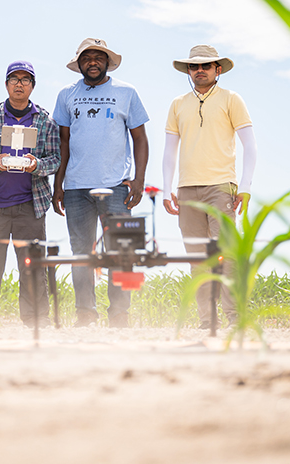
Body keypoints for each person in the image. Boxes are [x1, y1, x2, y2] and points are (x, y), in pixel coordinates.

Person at [52, 39, 149, 328]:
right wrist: (58, 184)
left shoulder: (126, 92)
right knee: (81, 253)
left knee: (123, 252)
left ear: (107, 62)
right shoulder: (66, 94)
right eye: (86, 58)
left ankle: (120, 315)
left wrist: (139, 180)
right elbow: (64, 142)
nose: (92, 62)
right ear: (79, 64)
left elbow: (140, 138)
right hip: (76, 188)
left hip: (117, 186)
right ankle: (85, 314)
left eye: (98, 57)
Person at [161, 44, 256, 328]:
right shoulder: (178, 104)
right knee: (197, 257)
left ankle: (234, 316)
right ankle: (207, 320)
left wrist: (245, 186)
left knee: (227, 254)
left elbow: (250, 146)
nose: (199, 70)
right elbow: (169, 151)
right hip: (187, 189)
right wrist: (167, 189)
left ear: (218, 69)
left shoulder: (231, 99)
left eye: (206, 66)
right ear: (188, 71)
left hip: (221, 186)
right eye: (194, 66)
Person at [0, 61, 60, 328]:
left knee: (33, 264)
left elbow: (55, 159)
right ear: (6, 84)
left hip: (31, 204)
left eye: (25, 79)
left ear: (32, 86)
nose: (19, 84)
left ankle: (36, 318)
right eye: (14, 79)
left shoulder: (45, 121)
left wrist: (36, 165)